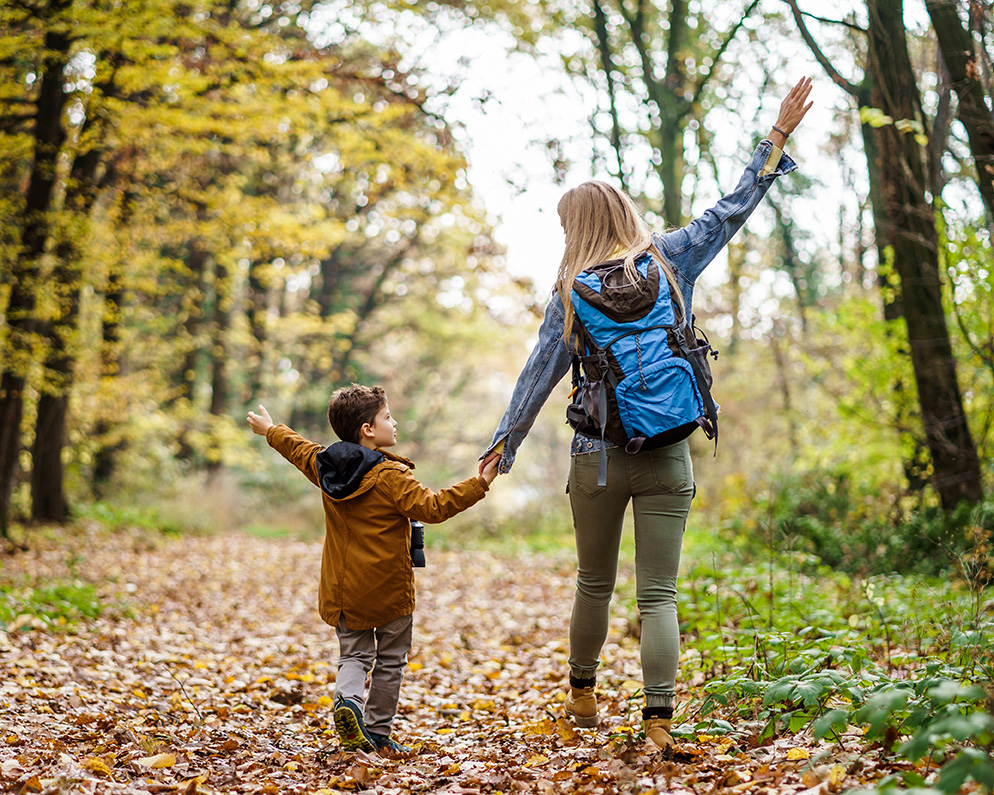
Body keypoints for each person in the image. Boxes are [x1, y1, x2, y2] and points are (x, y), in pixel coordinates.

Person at [479, 78, 813, 755]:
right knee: (657, 594)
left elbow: (537, 377)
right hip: (669, 448)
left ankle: (582, 695)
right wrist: (774, 139)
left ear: (576, 228)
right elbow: (730, 210)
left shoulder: (569, 293)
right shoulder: (671, 256)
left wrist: (501, 447)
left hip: (596, 457)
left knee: (594, 583)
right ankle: (658, 720)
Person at [248, 385, 499, 756]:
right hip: (389, 590)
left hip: (343, 589)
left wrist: (271, 430)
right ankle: (378, 732)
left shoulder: (325, 465)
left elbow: (297, 448)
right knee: (391, 660)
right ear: (368, 429)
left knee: (353, 656)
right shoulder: (390, 477)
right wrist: (480, 483)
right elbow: (433, 507)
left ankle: (348, 702)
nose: (394, 423)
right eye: (387, 417)